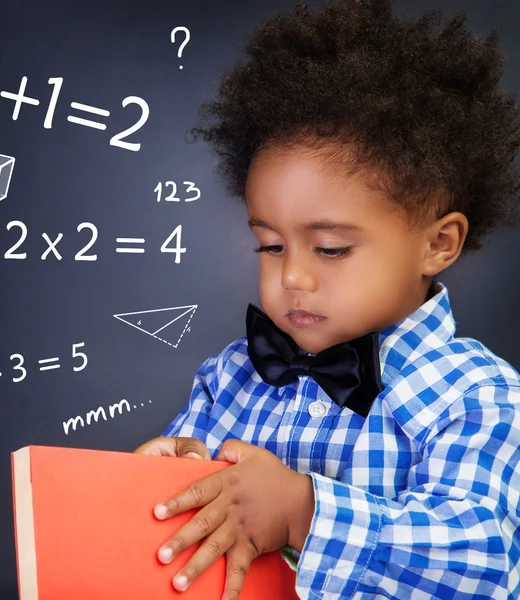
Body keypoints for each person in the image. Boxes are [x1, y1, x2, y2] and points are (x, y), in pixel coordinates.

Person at [134, 0, 520, 598]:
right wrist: (165, 475)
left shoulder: (478, 396)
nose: (293, 278)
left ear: (438, 244)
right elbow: (175, 537)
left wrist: (303, 510)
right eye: (269, 246)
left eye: (332, 249)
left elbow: (487, 556)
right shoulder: (229, 376)